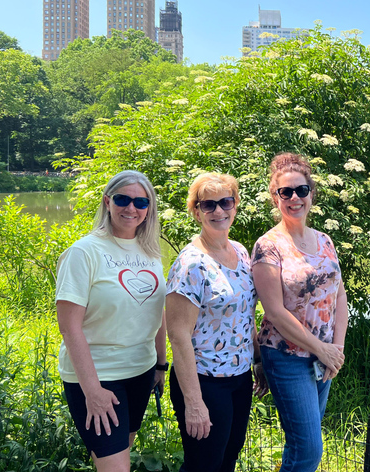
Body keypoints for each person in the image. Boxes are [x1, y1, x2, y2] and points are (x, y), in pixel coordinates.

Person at [56, 170, 167, 472]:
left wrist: (160, 364)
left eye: (141, 202)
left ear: (149, 209)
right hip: (98, 377)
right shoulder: (83, 252)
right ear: (107, 201)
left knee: (120, 458)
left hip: (141, 372)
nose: (131, 208)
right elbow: (69, 326)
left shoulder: (150, 251)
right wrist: (92, 390)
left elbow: (157, 311)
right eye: (123, 199)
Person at [251, 152, 349, 472]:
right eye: (286, 192)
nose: (295, 198)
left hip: (323, 357)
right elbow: (275, 312)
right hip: (286, 356)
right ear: (275, 197)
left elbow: (339, 296)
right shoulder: (268, 246)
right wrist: (322, 349)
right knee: (308, 449)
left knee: (302, 443)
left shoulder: (325, 240)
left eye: (301, 191)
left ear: (311, 194)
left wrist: (336, 349)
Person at [165, 173, 268, 472]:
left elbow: (245, 314)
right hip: (204, 382)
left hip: (238, 379)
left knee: (227, 461)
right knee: (203, 465)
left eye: (226, 202)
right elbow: (178, 335)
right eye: (208, 205)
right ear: (196, 211)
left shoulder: (240, 251)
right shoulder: (190, 264)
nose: (219, 211)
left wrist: (258, 360)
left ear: (236, 205)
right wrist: (194, 403)